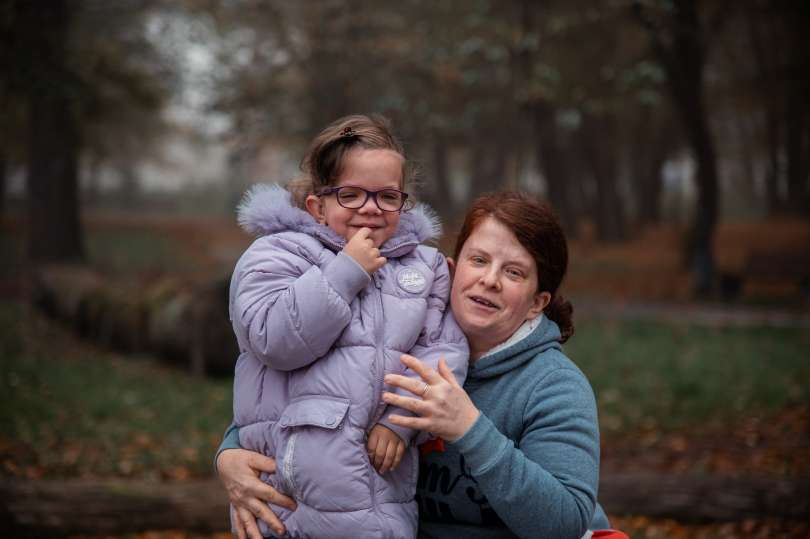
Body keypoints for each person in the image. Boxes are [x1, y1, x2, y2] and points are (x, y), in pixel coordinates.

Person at [218, 191, 616, 539]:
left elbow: (565, 523)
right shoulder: (398, 337)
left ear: (536, 303)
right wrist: (231, 453)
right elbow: (311, 399)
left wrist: (469, 429)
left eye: (514, 272)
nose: (490, 280)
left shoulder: (553, 385)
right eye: (478, 260)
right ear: (450, 268)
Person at [224, 114, 468, 539]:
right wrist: (345, 272)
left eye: (387, 196)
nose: (371, 208)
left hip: (381, 498)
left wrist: (400, 420)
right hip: (286, 500)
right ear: (318, 206)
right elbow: (270, 338)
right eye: (351, 194)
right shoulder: (277, 253)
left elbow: (443, 352)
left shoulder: (425, 267)